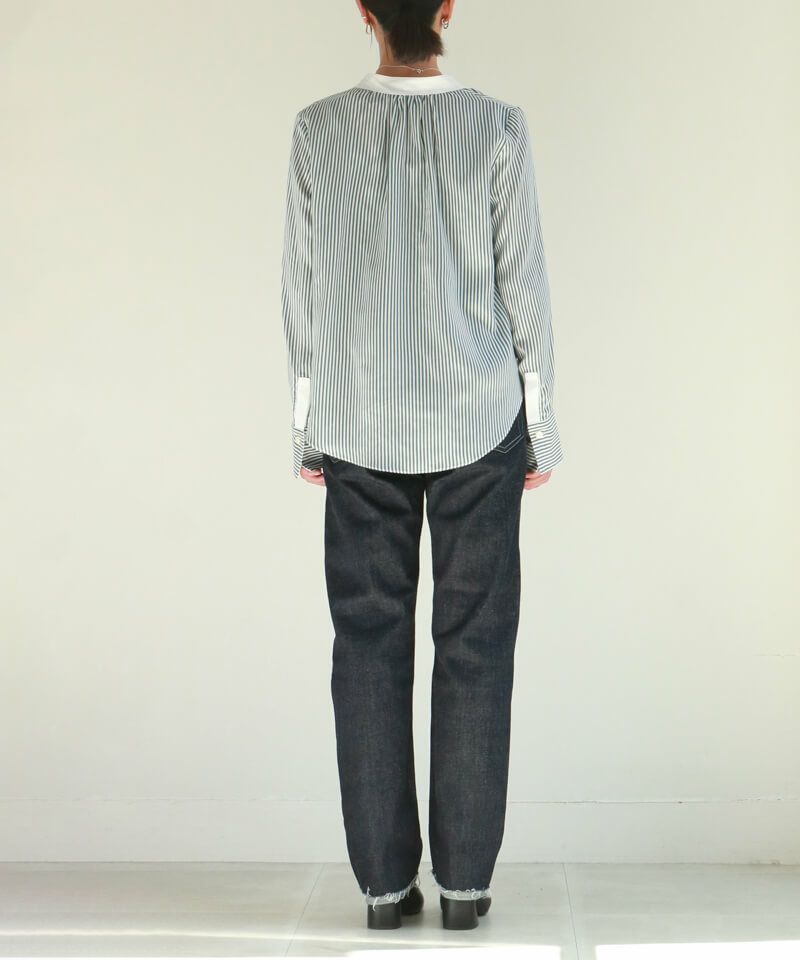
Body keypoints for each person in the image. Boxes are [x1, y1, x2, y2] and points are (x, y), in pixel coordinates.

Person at [280, 0, 564, 933]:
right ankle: (467, 888)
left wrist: (307, 425)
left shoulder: (319, 131)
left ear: (364, 13)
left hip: (359, 425)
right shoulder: (498, 128)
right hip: (480, 423)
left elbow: (303, 293)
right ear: (447, 10)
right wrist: (541, 425)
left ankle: (381, 888)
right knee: (475, 649)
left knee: (366, 649)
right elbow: (524, 285)